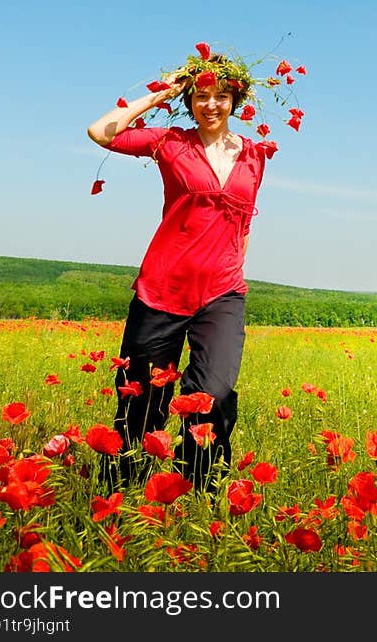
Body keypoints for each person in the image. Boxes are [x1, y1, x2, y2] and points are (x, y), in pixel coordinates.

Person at [86, 50, 267, 492]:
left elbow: (244, 223)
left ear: (235, 100)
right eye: (201, 95)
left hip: (222, 294)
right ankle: (125, 488)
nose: (211, 105)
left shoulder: (254, 155)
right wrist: (160, 94)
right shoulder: (170, 142)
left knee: (214, 394)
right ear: (189, 100)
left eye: (221, 96)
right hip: (162, 290)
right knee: (143, 395)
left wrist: (232, 268)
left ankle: (199, 490)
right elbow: (100, 133)